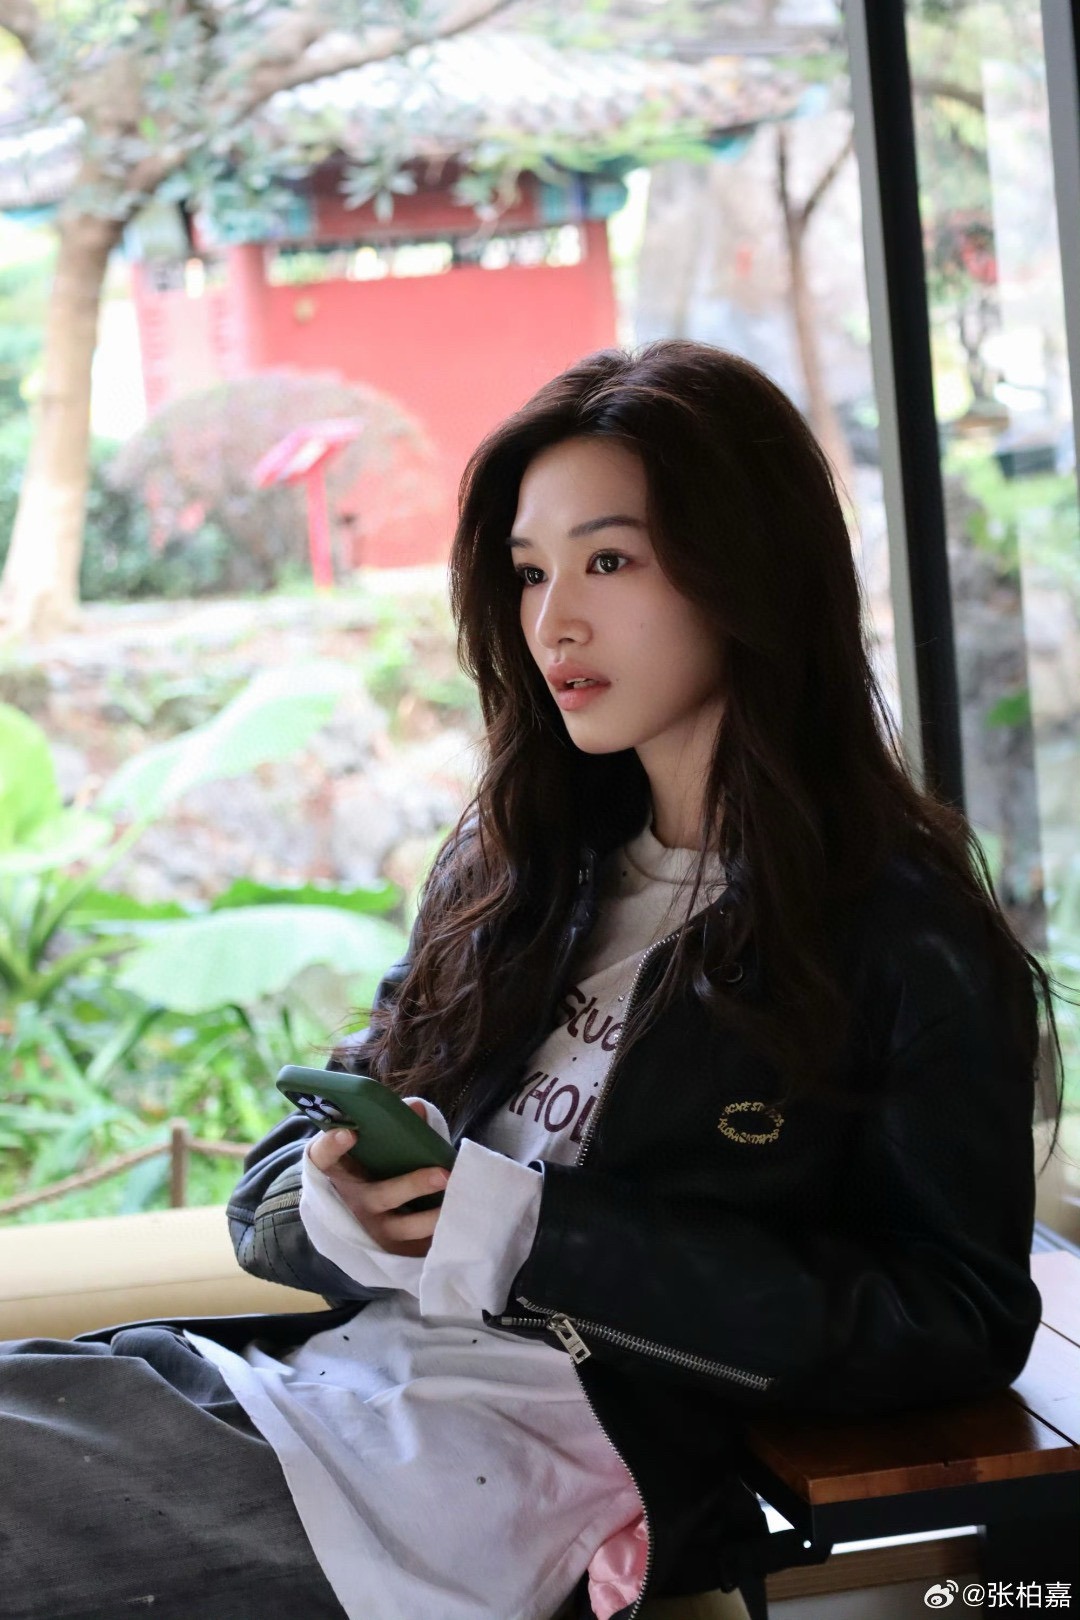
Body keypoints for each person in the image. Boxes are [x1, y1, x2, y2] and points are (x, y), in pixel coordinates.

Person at [0, 340, 1067, 1620]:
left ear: (750, 574)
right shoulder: (522, 874)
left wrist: (533, 1234)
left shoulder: (900, 938)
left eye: (609, 562)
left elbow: (953, 1315)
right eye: (528, 572)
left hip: (485, 1490)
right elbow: (286, 1175)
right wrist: (348, 1202)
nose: (554, 620)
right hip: (312, 1398)